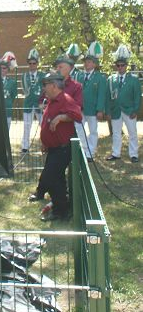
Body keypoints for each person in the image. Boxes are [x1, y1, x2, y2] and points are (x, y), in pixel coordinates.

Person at [28, 71, 82, 221]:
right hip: (53, 148)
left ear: (53, 86)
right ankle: (62, 209)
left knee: (50, 178)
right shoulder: (52, 100)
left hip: (62, 149)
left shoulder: (65, 99)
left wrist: (61, 117)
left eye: (45, 85)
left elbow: (78, 115)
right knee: (57, 179)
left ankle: (60, 211)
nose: (43, 88)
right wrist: (45, 142)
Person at [105, 46, 141, 163]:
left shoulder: (134, 79)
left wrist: (135, 110)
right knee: (116, 133)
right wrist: (108, 111)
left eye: (122, 65)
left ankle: (133, 154)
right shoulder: (111, 79)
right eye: (118, 65)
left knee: (132, 133)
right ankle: (116, 153)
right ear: (116, 66)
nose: (120, 67)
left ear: (126, 66)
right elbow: (107, 97)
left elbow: (137, 97)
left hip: (129, 110)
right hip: (115, 110)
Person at [80, 42, 107, 160]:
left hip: (93, 109)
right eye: (86, 61)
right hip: (80, 109)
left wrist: (100, 110)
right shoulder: (80, 76)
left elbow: (101, 95)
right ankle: (83, 150)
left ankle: (90, 153)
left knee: (93, 131)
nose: (87, 63)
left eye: (89, 62)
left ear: (95, 64)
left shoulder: (100, 77)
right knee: (79, 130)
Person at [21, 48, 45, 153]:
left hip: (40, 104)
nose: (32, 65)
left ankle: (45, 144)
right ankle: (25, 146)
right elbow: (25, 90)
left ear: (37, 64)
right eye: (30, 63)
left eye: (34, 63)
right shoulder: (24, 76)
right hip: (28, 104)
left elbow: (45, 89)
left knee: (43, 126)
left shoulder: (42, 75)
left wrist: (42, 102)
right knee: (26, 126)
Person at [0, 58, 17, 131]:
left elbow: (13, 95)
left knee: (7, 130)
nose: (2, 70)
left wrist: (8, 102)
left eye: (4, 68)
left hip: (7, 109)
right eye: (0, 68)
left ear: (7, 70)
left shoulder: (12, 82)